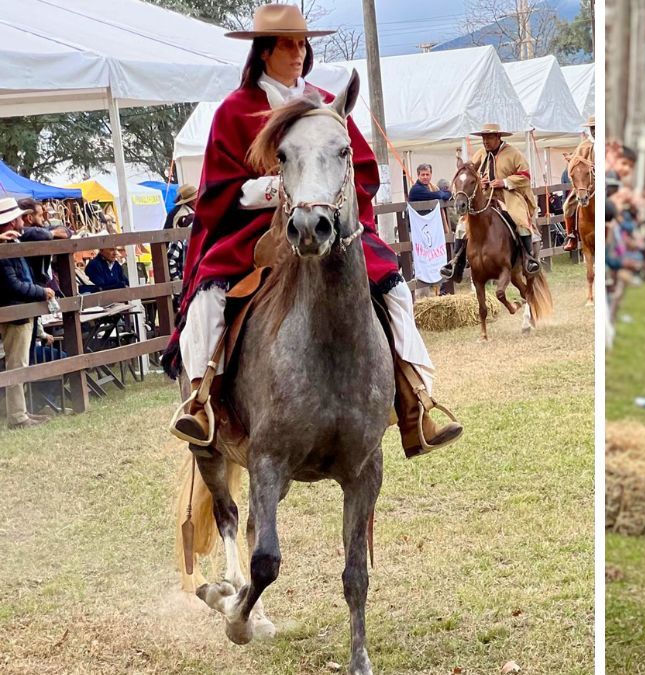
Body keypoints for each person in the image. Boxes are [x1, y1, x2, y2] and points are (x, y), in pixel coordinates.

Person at [166, 3, 461, 457]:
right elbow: (218, 190)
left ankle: (416, 402)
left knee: (395, 288)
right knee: (209, 297)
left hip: (328, 223)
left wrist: (330, 198)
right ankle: (204, 403)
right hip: (253, 231)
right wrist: (276, 189)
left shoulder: (326, 105)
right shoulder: (235, 111)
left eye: (302, 44)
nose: (299, 53)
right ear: (264, 52)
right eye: (288, 45)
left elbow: (361, 169)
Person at [441, 123, 541, 281]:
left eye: (489, 137)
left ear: (498, 137)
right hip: (485, 197)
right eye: (483, 138)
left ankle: (529, 259)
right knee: (461, 225)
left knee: (520, 220)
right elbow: (471, 174)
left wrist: (505, 182)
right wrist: (481, 181)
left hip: (508, 196)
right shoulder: (480, 154)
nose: (485, 141)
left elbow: (525, 176)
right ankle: (456, 263)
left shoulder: (513, 154)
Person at [0, 197, 52, 429]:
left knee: (19, 363)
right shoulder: (5, 249)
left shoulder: (11, 243)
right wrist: (41, 292)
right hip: (16, 311)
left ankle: (20, 412)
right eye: (19, 218)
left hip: (18, 310)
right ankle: (18, 416)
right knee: (17, 365)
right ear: (12, 222)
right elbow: (14, 286)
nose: (23, 221)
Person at [563, 115, 596, 253]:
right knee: (567, 206)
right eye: (592, 128)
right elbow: (573, 164)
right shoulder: (584, 146)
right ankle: (571, 236)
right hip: (586, 184)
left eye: (596, 127)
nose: (594, 131)